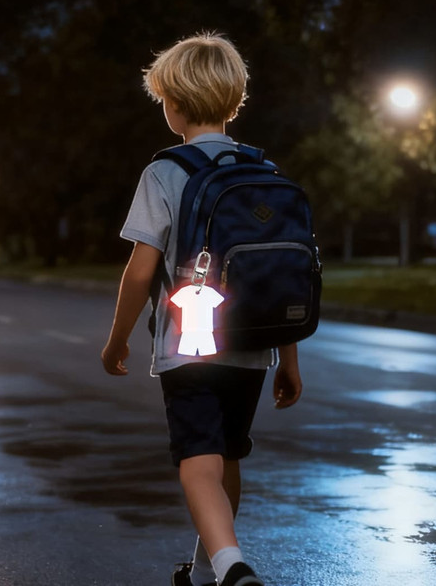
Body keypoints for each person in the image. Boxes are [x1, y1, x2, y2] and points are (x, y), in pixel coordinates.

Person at [101, 32, 303, 586]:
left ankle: (233, 567)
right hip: (252, 345)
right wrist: (289, 358)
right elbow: (278, 277)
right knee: (227, 456)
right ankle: (206, 569)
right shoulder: (264, 172)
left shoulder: (164, 173)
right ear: (233, 101)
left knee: (197, 458)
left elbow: (141, 271)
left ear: (176, 104)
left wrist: (118, 339)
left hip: (187, 345)